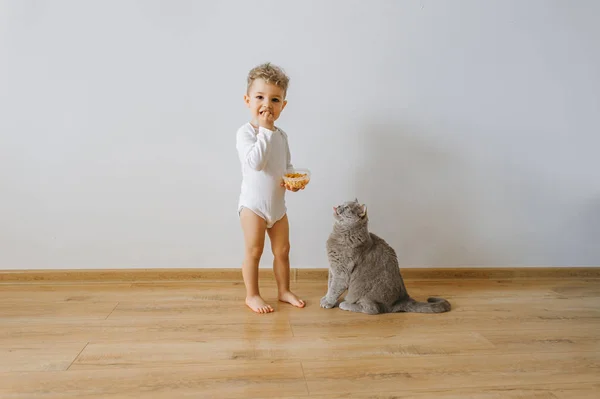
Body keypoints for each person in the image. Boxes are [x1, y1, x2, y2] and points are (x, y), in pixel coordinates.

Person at [235, 62, 306, 314]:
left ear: (283, 106)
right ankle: (252, 295)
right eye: (260, 97)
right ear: (247, 100)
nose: (267, 104)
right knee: (254, 251)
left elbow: (285, 165)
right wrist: (264, 131)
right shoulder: (246, 133)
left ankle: (284, 290)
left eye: (275, 99)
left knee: (283, 251)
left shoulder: (282, 136)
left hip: (277, 207)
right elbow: (255, 163)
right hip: (253, 206)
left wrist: (292, 181)